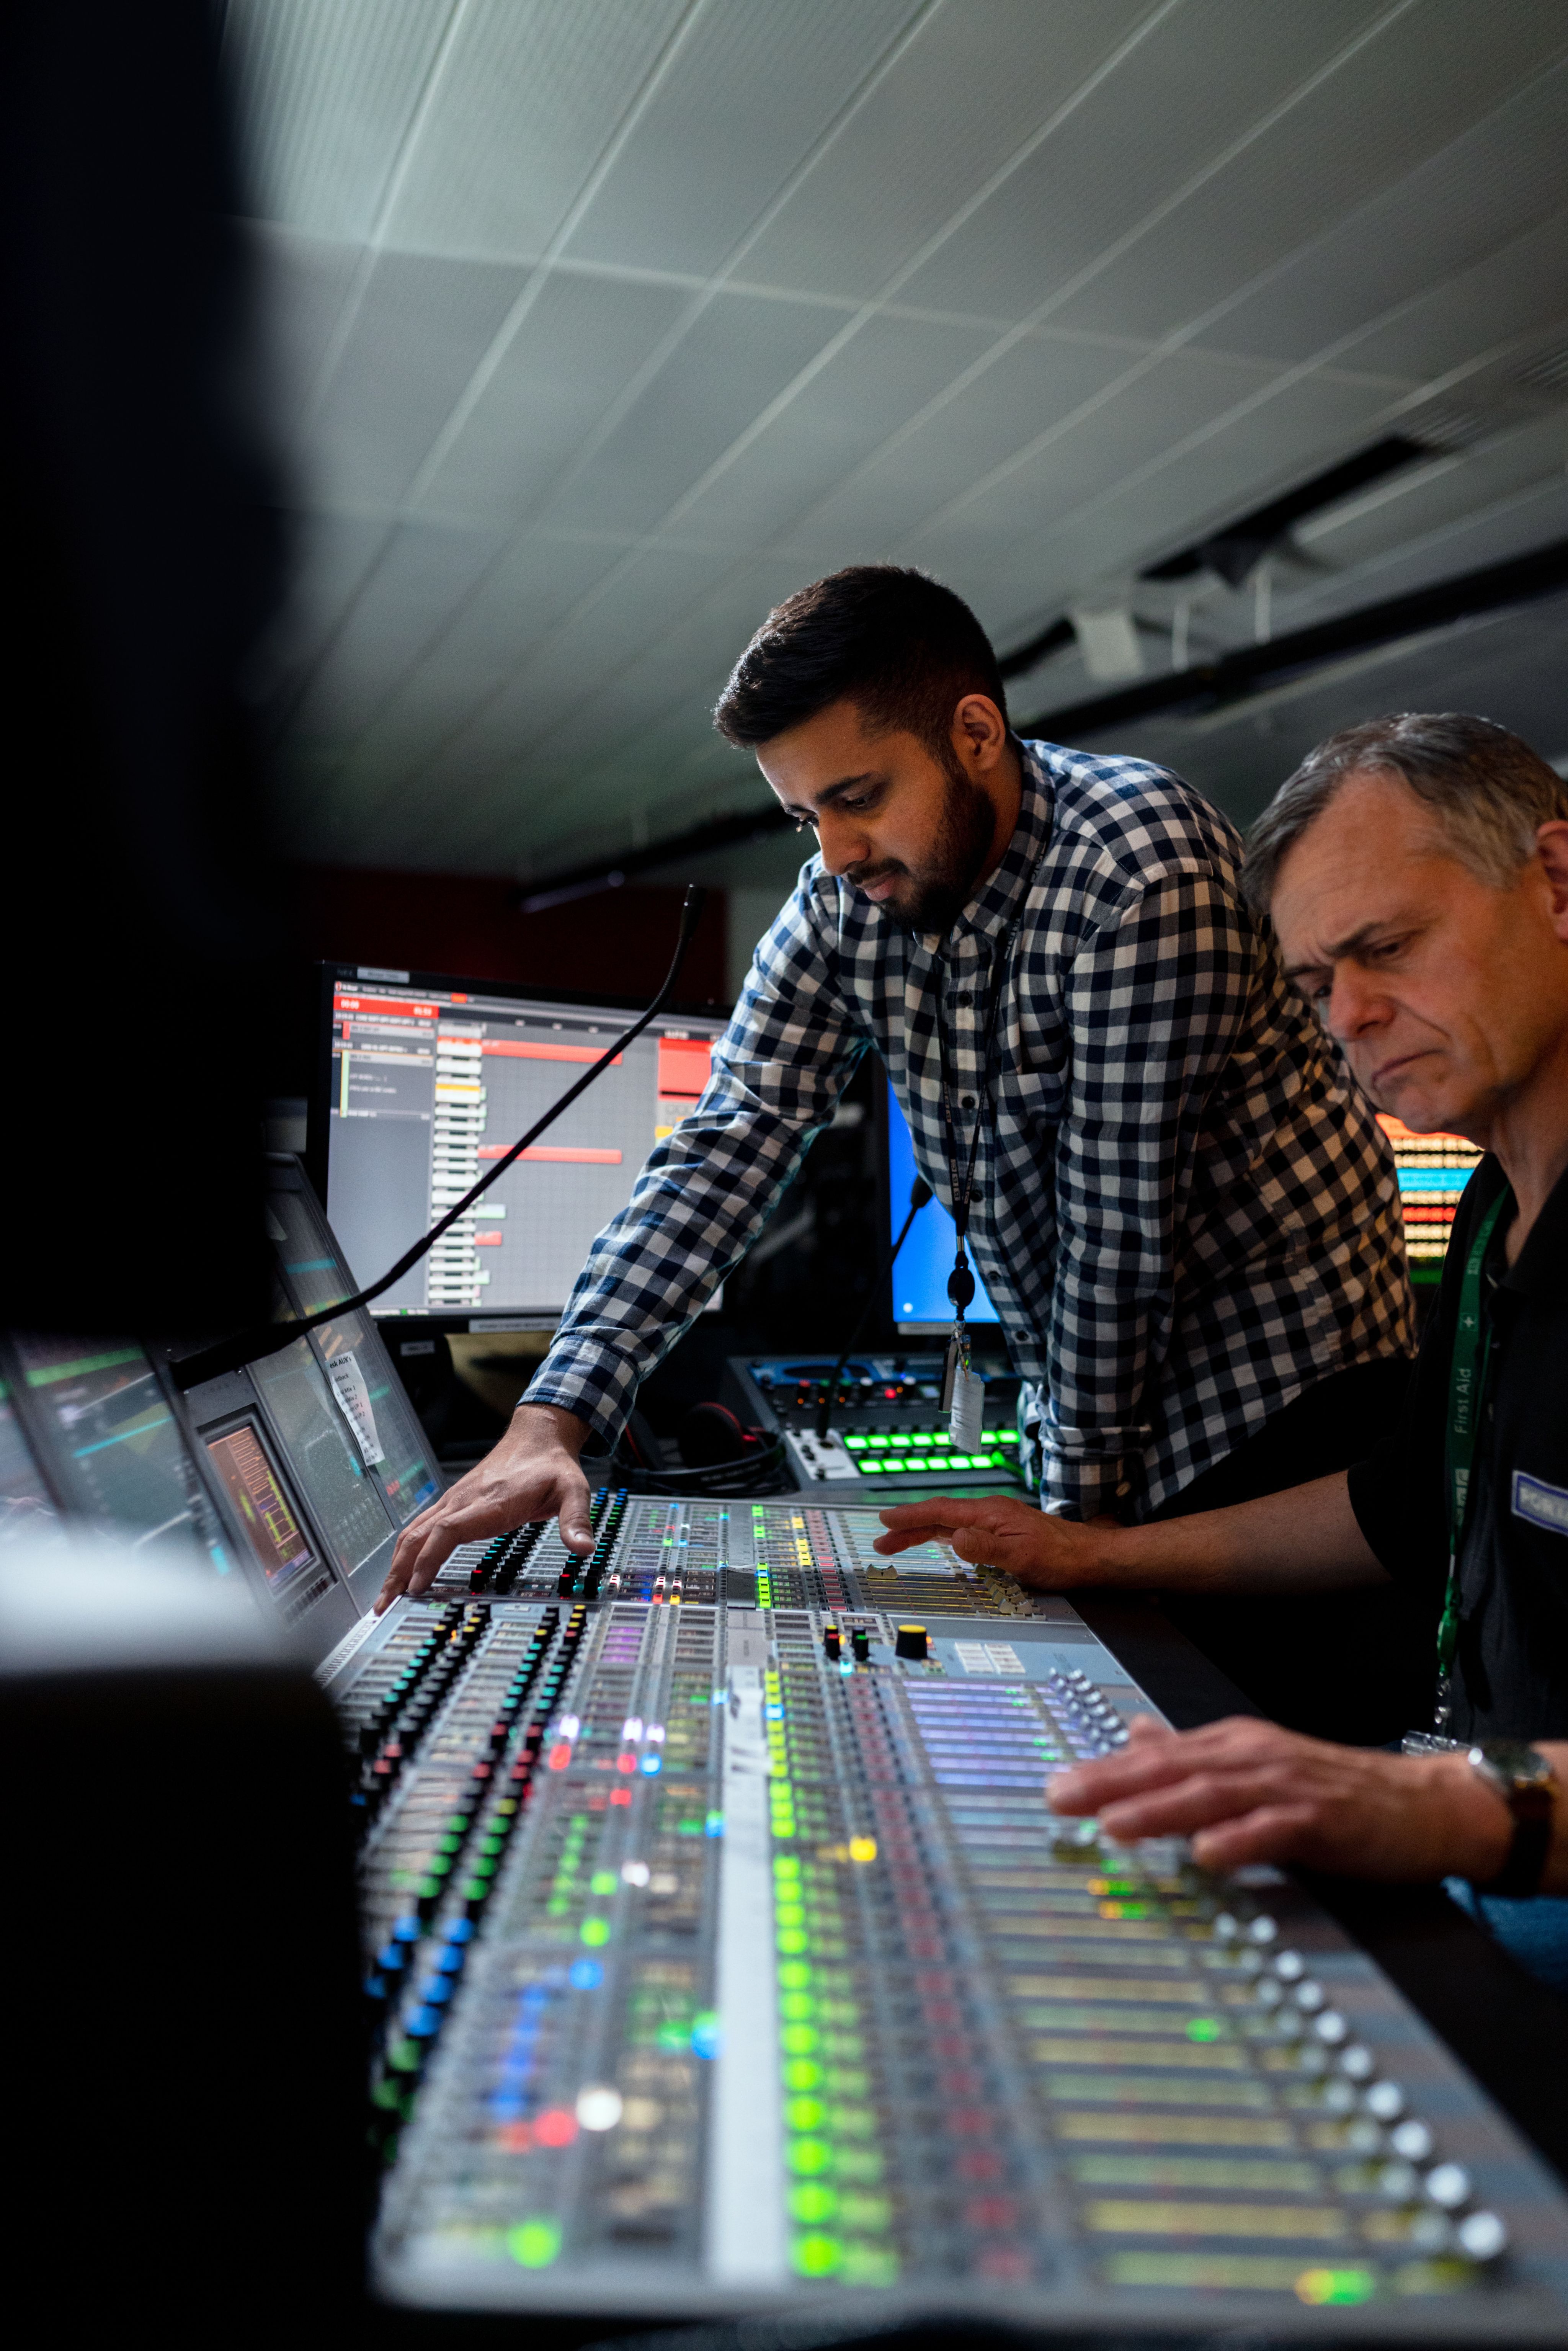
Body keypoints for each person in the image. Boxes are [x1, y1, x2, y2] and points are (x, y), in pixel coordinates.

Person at [379, 568, 1414, 1736]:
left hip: (1289, 1409)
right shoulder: (845, 902)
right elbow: (727, 1143)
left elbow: (1118, 1241)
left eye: (858, 797)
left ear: (975, 733)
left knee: (1271, 1783)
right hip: (1112, 1403)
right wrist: (551, 1417)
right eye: (804, 816)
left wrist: (1073, 1539)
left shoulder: (1139, 870)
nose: (833, 853)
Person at [876, 712, 1568, 1975]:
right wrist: (1100, 1552)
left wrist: (1438, 1804)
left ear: (1559, 883)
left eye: (1386, 948)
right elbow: (1398, 1503)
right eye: (1312, 985)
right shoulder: (1493, 1212)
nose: (1349, 1016)